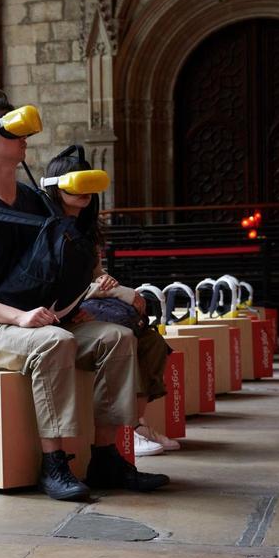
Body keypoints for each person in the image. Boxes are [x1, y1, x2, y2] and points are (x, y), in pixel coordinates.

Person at [0, 89, 168, 501]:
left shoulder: (34, 201)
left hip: (40, 321)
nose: (25, 139)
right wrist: (18, 318)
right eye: (14, 131)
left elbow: (64, 261)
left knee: (116, 338)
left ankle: (105, 456)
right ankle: (55, 463)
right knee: (54, 342)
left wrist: (76, 303)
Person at [41, 145, 178, 457]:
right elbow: (50, 287)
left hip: (84, 307)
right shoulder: (44, 229)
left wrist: (118, 290)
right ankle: (120, 436)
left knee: (152, 342)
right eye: (78, 184)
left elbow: (95, 279)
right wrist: (108, 293)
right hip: (60, 314)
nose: (86, 192)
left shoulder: (86, 232)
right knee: (122, 334)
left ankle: (136, 425)